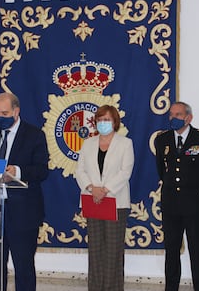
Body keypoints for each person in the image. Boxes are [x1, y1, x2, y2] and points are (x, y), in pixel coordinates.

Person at [0, 92, 49, 291]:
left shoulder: (34, 135)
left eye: (5, 113)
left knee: (23, 267)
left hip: (23, 212)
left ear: (16, 111)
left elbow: (42, 170)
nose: (1, 117)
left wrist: (17, 171)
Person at [155, 101, 199, 291]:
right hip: (171, 205)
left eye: (178, 115)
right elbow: (161, 170)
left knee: (198, 251)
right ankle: (171, 287)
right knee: (171, 251)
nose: (173, 118)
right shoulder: (162, 139)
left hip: (195, 205)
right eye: (171, 114)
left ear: (189, 118)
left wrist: (196, 190)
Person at [75, 105, 135, 291]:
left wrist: (105, 190)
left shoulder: (125, 143)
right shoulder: (88, 144)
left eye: (107, 120)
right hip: (92, 200)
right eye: (100, 120)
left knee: (113, 252)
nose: (103, 123)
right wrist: (92, 188)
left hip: (115, 202)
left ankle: (112, 288)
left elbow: (126, 172)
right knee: (95, 250)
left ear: (115, 122)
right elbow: (80, 171)